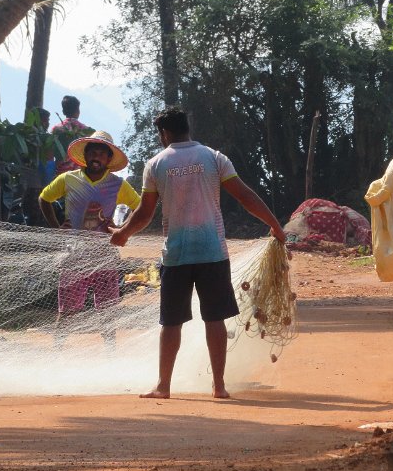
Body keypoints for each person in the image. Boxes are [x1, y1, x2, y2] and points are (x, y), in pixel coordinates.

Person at [109, 106, 286, 399]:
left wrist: (123, 234)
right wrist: (275, 226)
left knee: (171, 322)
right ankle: (219, 385)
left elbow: (145, 213)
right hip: (213, 252)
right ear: (187, 128)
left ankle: (163, 386)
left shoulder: (156, 164)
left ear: (164, 133)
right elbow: (245, 196)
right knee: (214, 319)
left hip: (176, 255)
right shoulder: (213, 158)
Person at [38, 130, 141, 316]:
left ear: (109, 159)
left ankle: (109, 337)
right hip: (74, 255)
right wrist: (56, 227)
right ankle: (63, 337)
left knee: (108, 312)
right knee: (68, 313)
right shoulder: (69, 179)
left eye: (101, 154)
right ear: (85, 155)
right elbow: (44, 199)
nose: (96, 157)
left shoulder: (118, 184)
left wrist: (122, 229)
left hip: (105, 256)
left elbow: (139, 206)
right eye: (92, 152)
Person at [50, 95, 93, 175]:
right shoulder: (86, 131)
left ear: (63, 111)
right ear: (78, 111)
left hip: (60, 173)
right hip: (79, 174)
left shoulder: (56, 129)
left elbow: (50, 153)